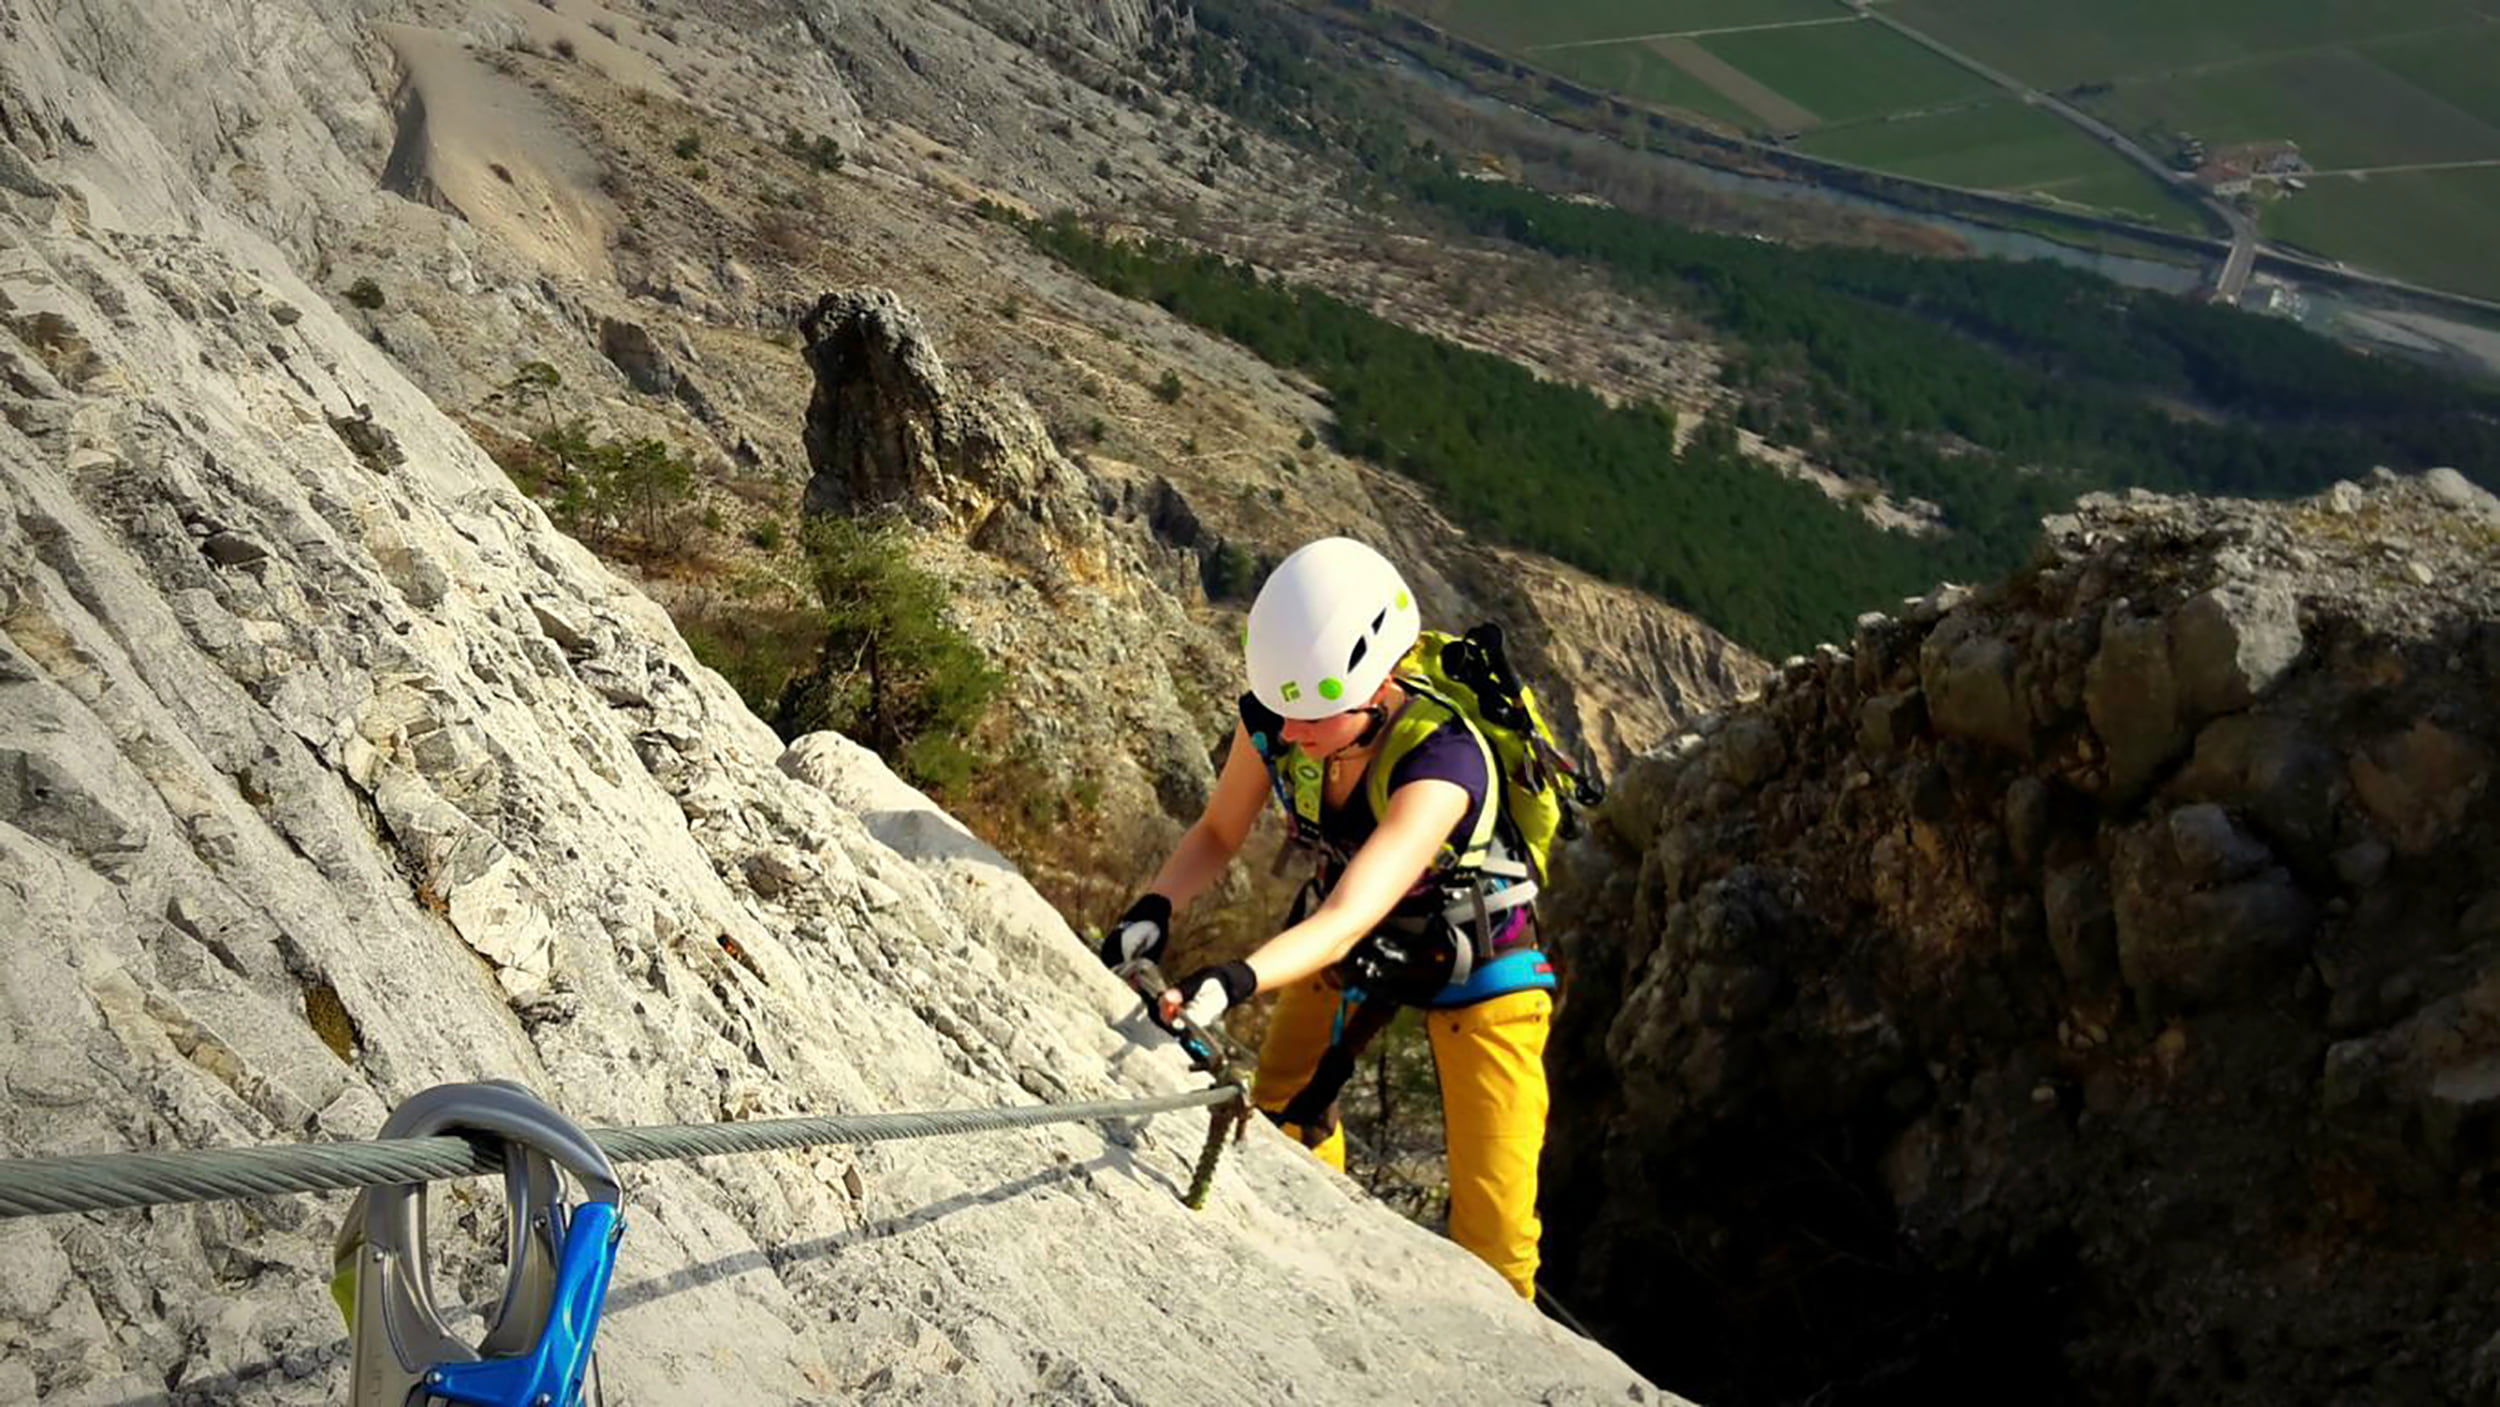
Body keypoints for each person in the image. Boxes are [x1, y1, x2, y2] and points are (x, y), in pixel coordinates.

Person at [1099, 536, 1557, 1299]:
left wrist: (1234, 977)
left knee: (1495, 1229)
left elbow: (1349, 915)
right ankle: (1314, 1260)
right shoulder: (1282, 718)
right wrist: (1156, 905)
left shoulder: (1443, 762)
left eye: (1317, 716)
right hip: (1353, 937)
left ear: (1380, 686)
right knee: (1284, 1109)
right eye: (1283, 712)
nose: (1294, 733)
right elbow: (1218, 832)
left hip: (1484, 964)